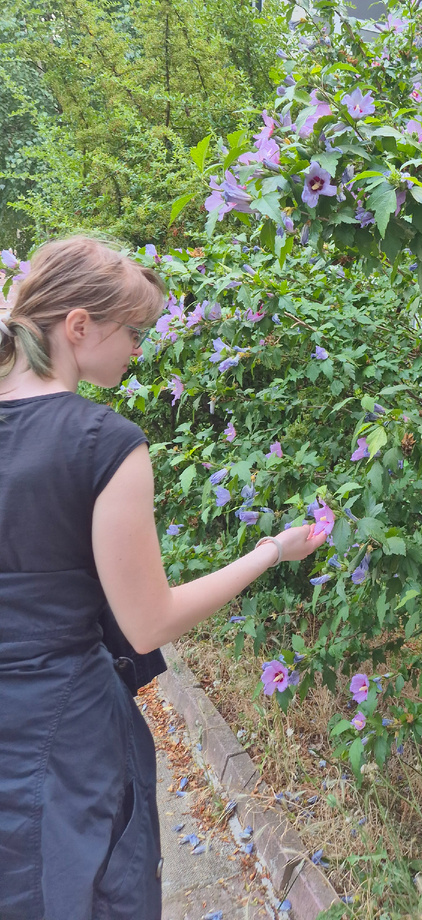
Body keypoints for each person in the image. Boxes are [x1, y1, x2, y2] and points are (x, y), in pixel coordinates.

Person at [0, 236, 327, 920]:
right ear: (79, 327)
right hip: (66, 738)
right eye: (135, 330)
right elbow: (150, 620)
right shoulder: (103, 442)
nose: (140, 348)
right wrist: (271, 549)